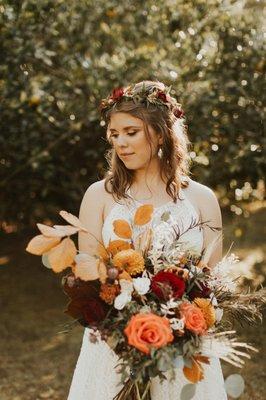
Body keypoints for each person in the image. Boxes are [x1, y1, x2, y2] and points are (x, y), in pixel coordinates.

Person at [67, 80, 228, 399]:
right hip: (113, 347)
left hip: (185, 349)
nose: (121, 144)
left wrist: (179, 325)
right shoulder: (100, 196)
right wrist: (127, 332)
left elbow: (215, 283)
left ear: (160, 133)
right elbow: (88, 275)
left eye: (131, 132)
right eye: (114, 134)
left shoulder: (202, 199)